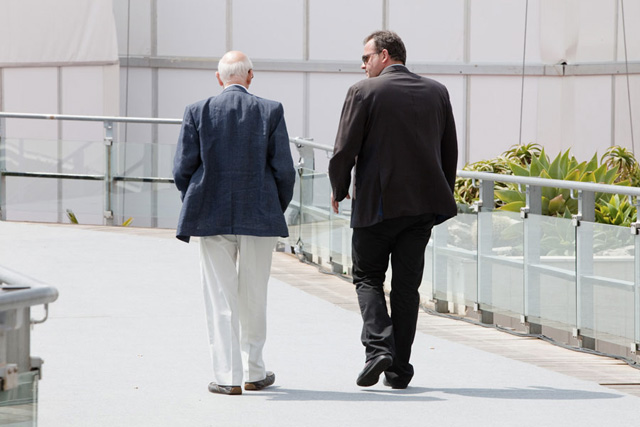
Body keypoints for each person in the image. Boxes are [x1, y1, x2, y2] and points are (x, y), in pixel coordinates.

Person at [328, 31, 458, 389]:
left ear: (384, 55)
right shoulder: (437, 92)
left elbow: (343, 151)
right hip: (422, 209)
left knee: (367, 277)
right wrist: (441, 198)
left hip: (377, 207)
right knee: (406, 289)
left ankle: (378, 348)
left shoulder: (363, 92)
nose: (362, 64)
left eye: (366, 58)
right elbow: (449, 151)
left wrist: (339, 188)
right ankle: (399, 370)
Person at [173, 51, 296, 396]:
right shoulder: (271, 110)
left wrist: (196, 200)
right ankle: (254, 371)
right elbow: (284, 170)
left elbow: (182, 169)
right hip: (260, 212)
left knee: (220, 297)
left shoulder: (197, 111)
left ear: (218, 78)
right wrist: (275, 205)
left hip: (210, 213)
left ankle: (227, 377)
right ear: (250, 76)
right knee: (254, 294)